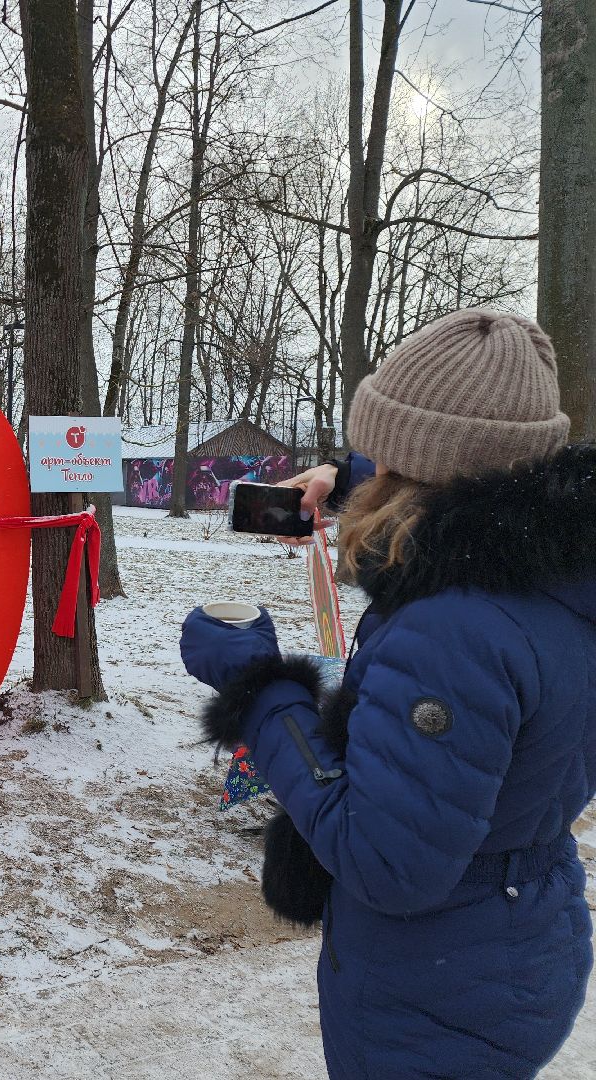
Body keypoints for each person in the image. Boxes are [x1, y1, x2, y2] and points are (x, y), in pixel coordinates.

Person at [179, 308, 595, 1079]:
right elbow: (467, 507)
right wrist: (343, 477)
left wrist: (255, 685)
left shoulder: (454, 633)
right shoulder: (551, 567)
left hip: (428, 999)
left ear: (423, 465)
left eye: (386, 452)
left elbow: (386, 860)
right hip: (515, 946)